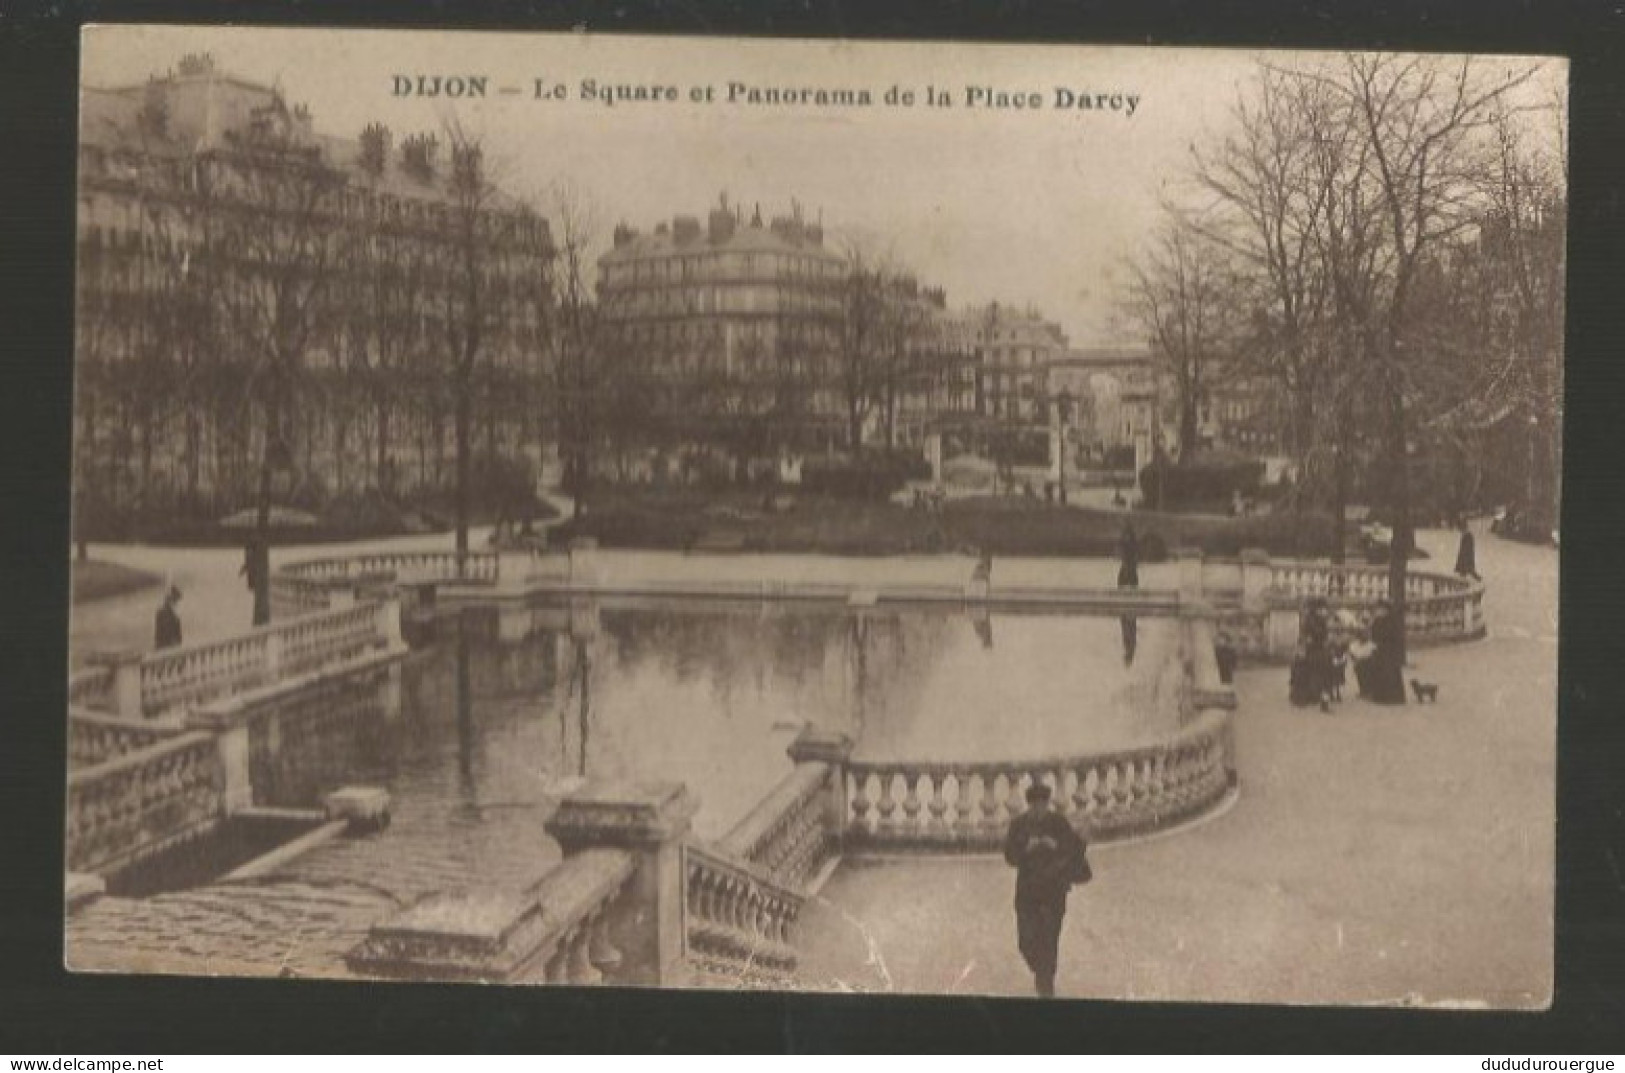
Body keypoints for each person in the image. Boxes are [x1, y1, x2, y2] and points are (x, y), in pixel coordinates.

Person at [1002, 782, 1089, 997]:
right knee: (1026, 941)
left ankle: (1045, 983)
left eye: (1043, 804)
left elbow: (1074, 849)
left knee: (1050, 937)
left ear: (1047, 804)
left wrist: (1055, 846)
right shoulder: (1018, 825)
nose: (1040, 809)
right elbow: (1010, 856)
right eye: (1035, 805)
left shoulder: (1058, 823)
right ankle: (1040, 971)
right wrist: (1026, 849)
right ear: (1029, 805)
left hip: (1054, 889)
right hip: (1027, 891)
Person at [1357, 599, 1406, 704]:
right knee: (1379, 672)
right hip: (1380, 650)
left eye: (1380, 609)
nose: (1377, 611)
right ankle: (1380, 696)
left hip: (1389, 651)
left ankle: (1392, 697)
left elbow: (1393, 636)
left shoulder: (1392, 621)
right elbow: (1373, 634)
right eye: (1377, 609)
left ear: (1386, 610)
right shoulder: (1377, 621)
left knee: (1390, 673)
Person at [1117, 521, 1140, 589]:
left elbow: (1136, 550)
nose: (1127, 537)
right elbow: (1121, 549)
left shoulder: (1131, 541)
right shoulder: (1124, 541)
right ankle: (1125, 584)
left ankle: (1131, 584)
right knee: (1127, 571)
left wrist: (1135, 558)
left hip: (1130, 559)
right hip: (1127, 558)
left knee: (1130, 571)